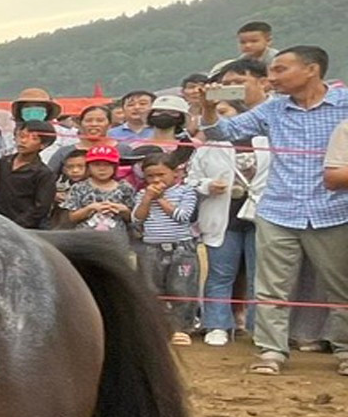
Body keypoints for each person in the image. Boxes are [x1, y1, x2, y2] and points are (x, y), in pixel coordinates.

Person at [195, 46, 348, 375]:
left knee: (341, 287)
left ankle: (345, 350)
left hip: (335, 210)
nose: (272, 77)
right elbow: (224, 132)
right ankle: (271, 351)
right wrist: (207, 110)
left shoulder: (345, 104)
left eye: (280, 70)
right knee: (271, 288)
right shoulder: (274, 108)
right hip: (278, 209)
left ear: (311, 70)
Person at [189, 117, 271, 346]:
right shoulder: (210, 147)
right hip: (223, 221)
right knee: (220, 273)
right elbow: (191, 180)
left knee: (260, 276)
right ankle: (217, 325)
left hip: (261, 218)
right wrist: (208, 185)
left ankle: (261, 328)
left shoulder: (270, 142)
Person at [132, 155, 200, 343]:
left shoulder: (186, 191)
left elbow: (183, 216)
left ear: (174, 173)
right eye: (150, 176)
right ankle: (156, 328)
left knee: (182, 288)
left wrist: (160, 199)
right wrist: (147, 199)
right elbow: (137, 219)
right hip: (151, 247)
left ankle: (180, 328)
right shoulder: (142, 194)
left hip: (181, 248)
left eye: (161, 175)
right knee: (151, 288)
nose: (155, 180)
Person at [0, 121, 59, 229]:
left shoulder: (44, 173)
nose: (23, 141)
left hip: (23, 228)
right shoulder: (2, 163)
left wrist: (17, 225)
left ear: (43, 145)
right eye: (21, 136)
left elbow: (41, 207)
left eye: (33, 138)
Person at [62, 144, 138, 239]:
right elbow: (72, 218)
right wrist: (90, 208)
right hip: (85, 238)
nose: (102, 169)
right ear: (88, 167)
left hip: (116, 239)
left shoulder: (125, 187)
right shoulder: (78, 187)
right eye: (96, 165)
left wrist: (123, 209)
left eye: (107, 165)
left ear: (115, 167)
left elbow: (133, 218)